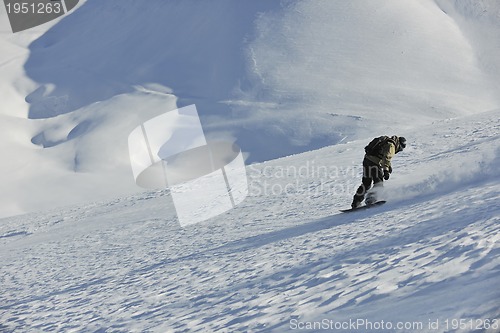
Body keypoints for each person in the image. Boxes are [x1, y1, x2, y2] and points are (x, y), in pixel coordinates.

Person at [351, 135, 406, 208]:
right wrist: (386, 170)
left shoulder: (387, 141)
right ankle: (370, 199)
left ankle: (356, 202)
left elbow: (383, 155)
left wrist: (389, 166)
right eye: (400, 149)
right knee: (378, 182)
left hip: (367, 160)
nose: (398, 151)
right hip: (374, 163)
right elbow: (387, 157)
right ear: (400, 145)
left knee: (366, 183)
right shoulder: (392, 145)